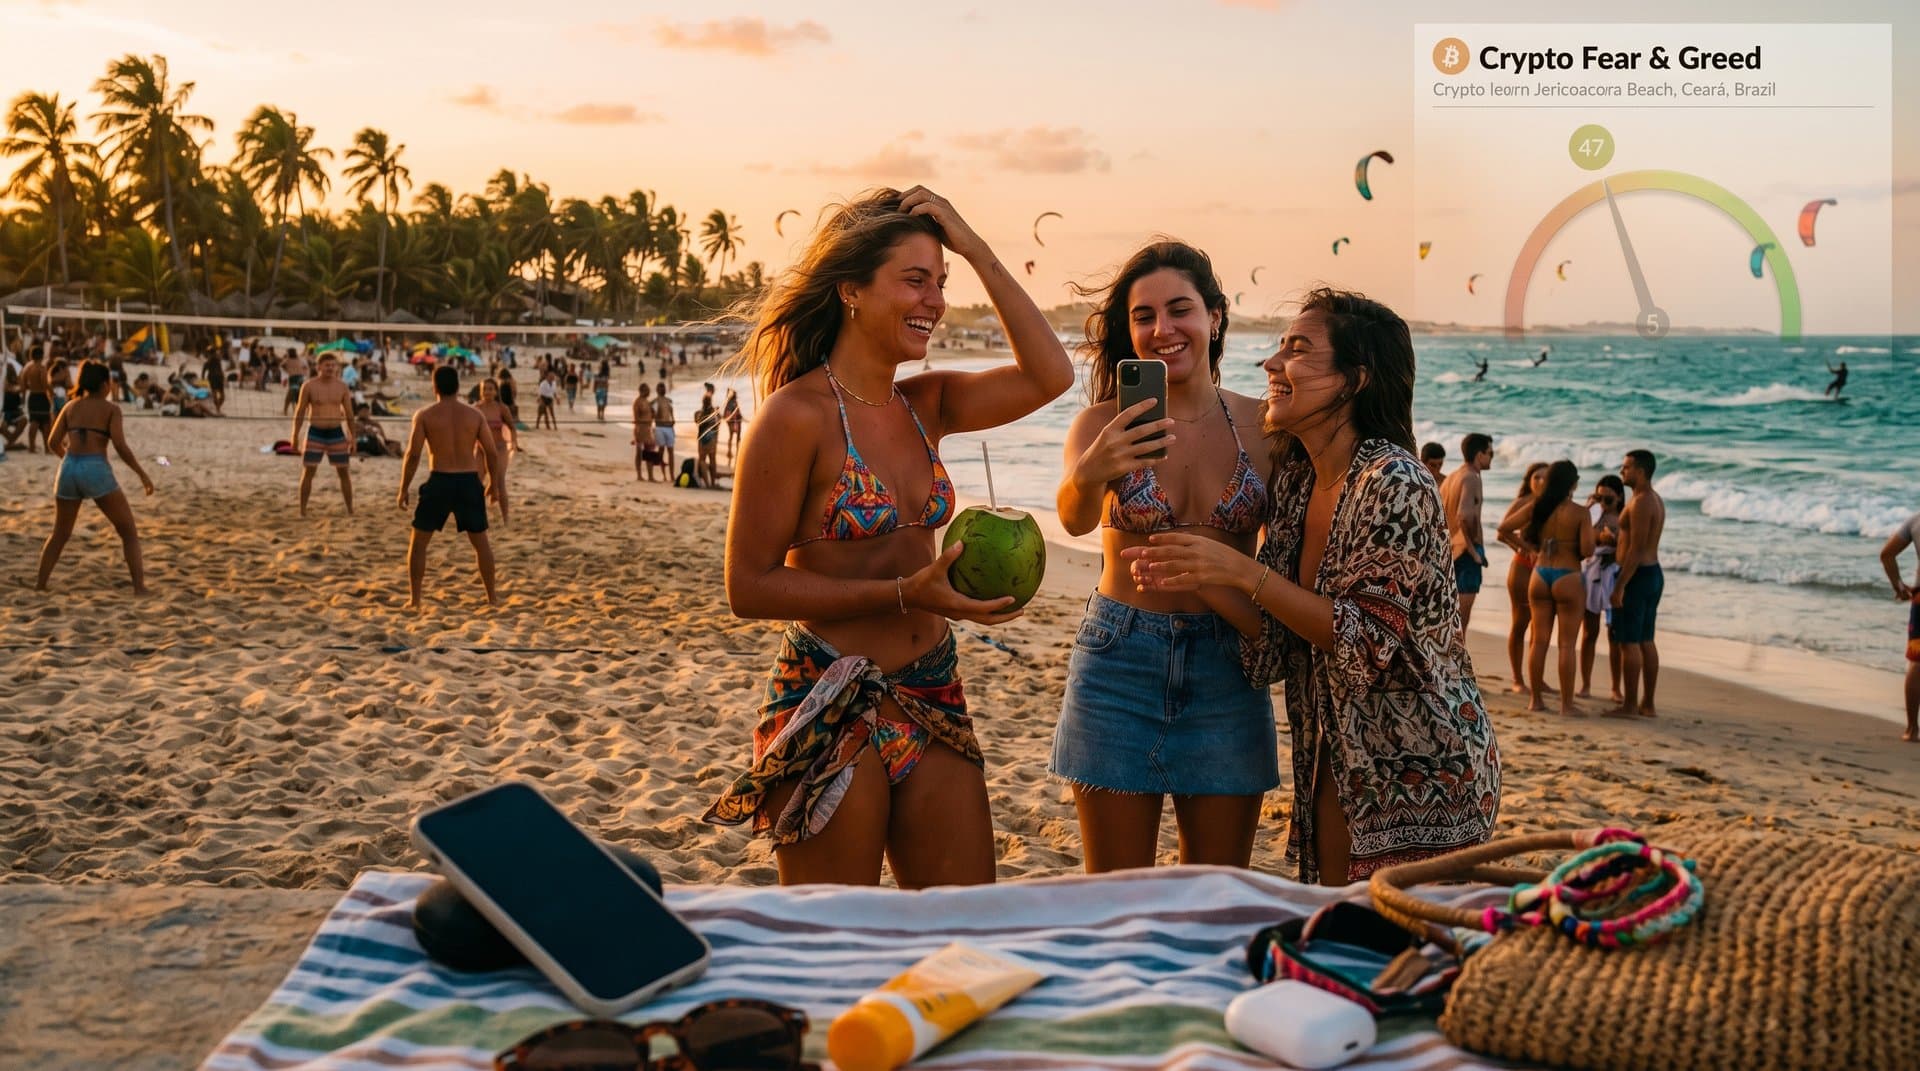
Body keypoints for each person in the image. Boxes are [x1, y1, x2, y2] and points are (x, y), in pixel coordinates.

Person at [703, 186, 1073, 888]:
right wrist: (907, 592)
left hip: (932, 690)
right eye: (915, 280)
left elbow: (1050, 374)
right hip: (828, 699)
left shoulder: (926, 405)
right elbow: (748, 586)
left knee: (963, 928)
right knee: (838, 936)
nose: (935, 301)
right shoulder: (795, 416)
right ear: (851, 289)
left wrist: (973, 245)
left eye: (942, 282)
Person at [1125, 288, 1498, 884]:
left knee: (1389, 938)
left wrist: (1241, 571)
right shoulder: (1298, 482)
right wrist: (1195, 569)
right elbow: (1277, 643)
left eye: (1296, 350)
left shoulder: (1395, 482)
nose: (1270, 363)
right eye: (1278, 347)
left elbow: (1364, 643)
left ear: (1354, 380)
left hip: (1425, 771)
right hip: (1336, 758)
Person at [1051, 240, 1276, 872]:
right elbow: (1072, 519)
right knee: (1116, 895)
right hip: (1119, 660)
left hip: (1229, 668)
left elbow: (1290, 557)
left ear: (1215, 317)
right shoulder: (1101, 424)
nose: (1162, 330)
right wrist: (1092, 468)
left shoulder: (1265, 428)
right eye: (1143, 317)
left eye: (1180, 310)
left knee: (1216, 892)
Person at [35, 361, 156, 594]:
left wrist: (69, 459)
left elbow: (52, 442)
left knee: (59, 533)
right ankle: (139, 588)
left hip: (68, 467)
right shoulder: (111, 409)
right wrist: (142, 474)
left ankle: (40, 584)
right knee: (128, 531)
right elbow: (120, 445)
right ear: (104, 385)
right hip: (95, 468)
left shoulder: (70, 406)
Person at [397, 365, 506, 609]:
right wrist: (493, 484)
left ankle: (415, 600)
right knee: (481, 543)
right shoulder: (474, 415)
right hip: (468, 481)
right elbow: (491, 452)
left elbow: (413, 454)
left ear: (434, 387)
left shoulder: (425, 415)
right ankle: (492, 598)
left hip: (440, 480)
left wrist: (403, 488)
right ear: (458, 387)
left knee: (419, 543)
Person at [1520, 461, 1594, 716]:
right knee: (1566, 645)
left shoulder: (1538, 507)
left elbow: (1505, 528)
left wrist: (1531, 550)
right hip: (1568, 575)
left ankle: (1535, 701)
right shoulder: (1580, 513)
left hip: (1540, 573)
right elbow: (1588, 550)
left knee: (1538, 641)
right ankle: (1566, 705)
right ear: (1572, 484)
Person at [1607, 449, 1665, 719]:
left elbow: (1637, 548)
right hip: (1651, 573)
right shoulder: (1655, 499)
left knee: (1629, 641)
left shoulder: (1641, 502)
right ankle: (1647, 704)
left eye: (1627, 467)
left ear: (1641, 471)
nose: (1622, 471)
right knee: (1645, 639)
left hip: (1637, 575)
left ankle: (1630, 705)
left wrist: (1620, 585)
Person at [1494, 462, 1549, 694]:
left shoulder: (1552, 504)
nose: (1541, 481)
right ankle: (1517, 679)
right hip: (1523, 568)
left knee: (1540, 626)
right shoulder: (1523, 502)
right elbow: (1502, 533)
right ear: (1529, 481)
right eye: (1536, 477)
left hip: (1544, 569)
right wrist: (1523, 549)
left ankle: (1538, 679)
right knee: (1520, 623)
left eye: (1545, 477)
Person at [1578, 475, 1625, 701]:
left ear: (1619, 498)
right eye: (1599, 498)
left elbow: (1629, 548)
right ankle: (1586, 684)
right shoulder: (1591, 514)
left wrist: (1615, 541)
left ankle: (1616, 687)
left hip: (1613, 573)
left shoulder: (1624, 517)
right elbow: (1580, 538)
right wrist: (1590, 508)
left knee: (1615, 634)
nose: (1603, 504)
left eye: (1608, 499)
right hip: (1591, 571)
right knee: (1589, 632)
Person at [292, 353, 357, 516]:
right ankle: (302, 510)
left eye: (333, 365)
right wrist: (294, 436)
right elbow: (300, 412)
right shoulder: (309, 386)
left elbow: (349, 414)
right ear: (318, 367)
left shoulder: (342, 386)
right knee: (309, 471)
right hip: (315, 431)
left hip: (336, 432)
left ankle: (350, 510)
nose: (330, 368)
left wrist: (353, 438)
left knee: (343, 471)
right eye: (327, 365)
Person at [1440, 433, 1492, 628]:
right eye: (1490, 453)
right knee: (1461, 620)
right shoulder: (1472, 478)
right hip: (1465, 553)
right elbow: (1464, 515)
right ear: (1479, 455)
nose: (1491, 458)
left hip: (1449, 550)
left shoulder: (1451, 477)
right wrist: (1473, 551)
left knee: (1447, 617)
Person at [1879, 508, 1920, 741]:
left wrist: (1899, 587)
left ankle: (1912, 729)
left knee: (1917, 662)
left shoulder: (1916, 521)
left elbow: (1887, 554)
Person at [471, 376, 516, 524]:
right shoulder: (476, 408)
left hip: (499, 449)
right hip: (481, 449)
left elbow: (512, 427)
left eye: (490, 389)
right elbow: (469, 429)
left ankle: (505, 518)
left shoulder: (502, 408)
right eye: (484, 389)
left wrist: (514, 442)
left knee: (500, 481)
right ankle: (478, 516)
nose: (487, 392)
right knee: (477, 482)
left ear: (496, 391)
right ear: (480, 391)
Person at [21, 347, 52, 452]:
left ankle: (32, 447)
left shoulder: (27, 368)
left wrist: (23, 397)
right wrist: (52, 392)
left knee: (34, 421)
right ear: (42, 356)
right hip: (41, 396)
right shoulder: (41, 368)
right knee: (46, 422)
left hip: (32, 396)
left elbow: (23, 384)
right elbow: (44, 383)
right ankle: (47, 448)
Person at [695, 394, 722, 489]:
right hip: (711, 439)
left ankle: (707, 483)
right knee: (712, 460)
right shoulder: (714, 413)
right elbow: (718, 424)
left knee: (702, 460)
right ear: (711, 401)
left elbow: (697, 422)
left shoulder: (699, 413)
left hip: (702, 439)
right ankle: (712, 483)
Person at [632, 382, 657, 481]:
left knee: (649, 452)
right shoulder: (637, 402)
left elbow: (652, 416)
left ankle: (650, 476)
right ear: (642, 391)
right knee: (639, 452)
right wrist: (643, 423)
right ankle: (639, 475)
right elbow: (636, 418)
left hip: (648, 429)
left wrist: (653, 414)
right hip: (640, 430)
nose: (649, 392)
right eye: (647, 390)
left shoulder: (647, 402)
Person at [650, 382, 677, 473]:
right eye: (661, 388)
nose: (663, 390)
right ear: (657, 390)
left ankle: (671, 474)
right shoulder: (654, 402)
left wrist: (673, 421)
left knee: (671, 451)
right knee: (661, 450)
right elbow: (652, 416)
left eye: (663, 388)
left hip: (669, 427)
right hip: (659, 427)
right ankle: (662, 473)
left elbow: (672, 413)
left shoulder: (669, 401)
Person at [280, 349, 309, 416]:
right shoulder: (299, 359)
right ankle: (303, 411)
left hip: (293, 378)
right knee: (300, 395)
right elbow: (305, 367)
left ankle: (285, 410)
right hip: (301, 377)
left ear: (288, 353)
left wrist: (287, 370)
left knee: (289, 395)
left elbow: (281, 365)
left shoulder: (287, 360)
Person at [723, 388, 744, 460]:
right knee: (737, 437)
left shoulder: (729, 402)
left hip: (732, 422)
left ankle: (730, 452)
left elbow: (726, 415)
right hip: (735, 422)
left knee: (731, 437)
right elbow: (737, 412)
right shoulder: (733, 402)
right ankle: (737, 452)